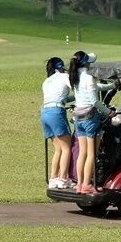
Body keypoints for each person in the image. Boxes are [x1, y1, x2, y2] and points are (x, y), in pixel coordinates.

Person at [68, 50, 116, 194]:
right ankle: (87, 184)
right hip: (90, 118)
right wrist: (109, 112)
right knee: (91, 154)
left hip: (79, 118)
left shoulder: (76, 77)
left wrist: (112, 86)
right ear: (86, 63)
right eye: (90, 61)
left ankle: (80, 185)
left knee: (82, 153)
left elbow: (95, 88)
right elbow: (94, 101)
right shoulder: (89, 77)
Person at [41, 57, 74, 189]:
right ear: (60, 66)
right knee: (67, 148)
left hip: (45, 113)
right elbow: (77, 88)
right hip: (56, 112)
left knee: (58, 149)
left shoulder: (47, 80)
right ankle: (63, 178)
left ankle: (53, 178)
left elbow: (62, 97)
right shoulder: (64, 76)